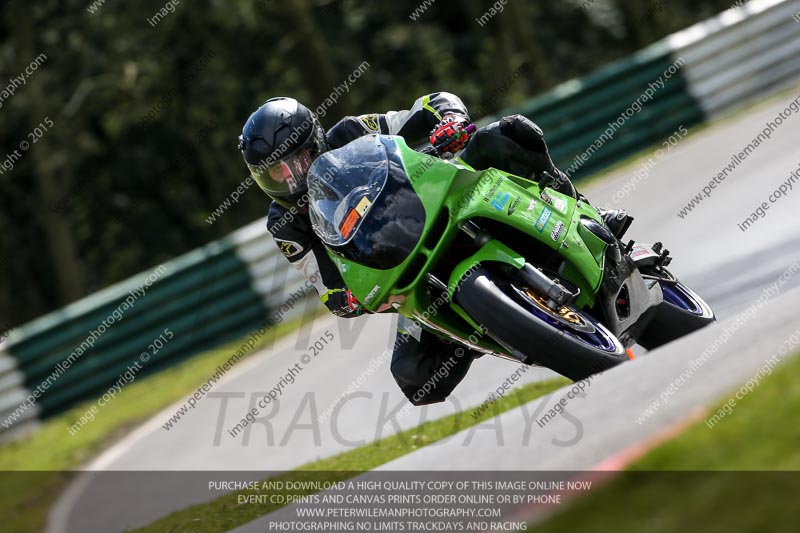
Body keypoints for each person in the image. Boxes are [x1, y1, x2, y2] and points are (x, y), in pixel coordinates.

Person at [238, 92, 629, 406]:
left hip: (437, 200)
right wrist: (346, 298)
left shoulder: (351, 132)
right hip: (402, 268)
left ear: (317, 140)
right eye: (279, 172)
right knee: (414, 376)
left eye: (301, 159)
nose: (295, 177)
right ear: (263, 179)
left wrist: (450, 120)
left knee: (508, 132)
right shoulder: (285, 224)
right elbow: (325, 281)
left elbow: (426, 106)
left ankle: (587, 213)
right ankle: (490, 322)